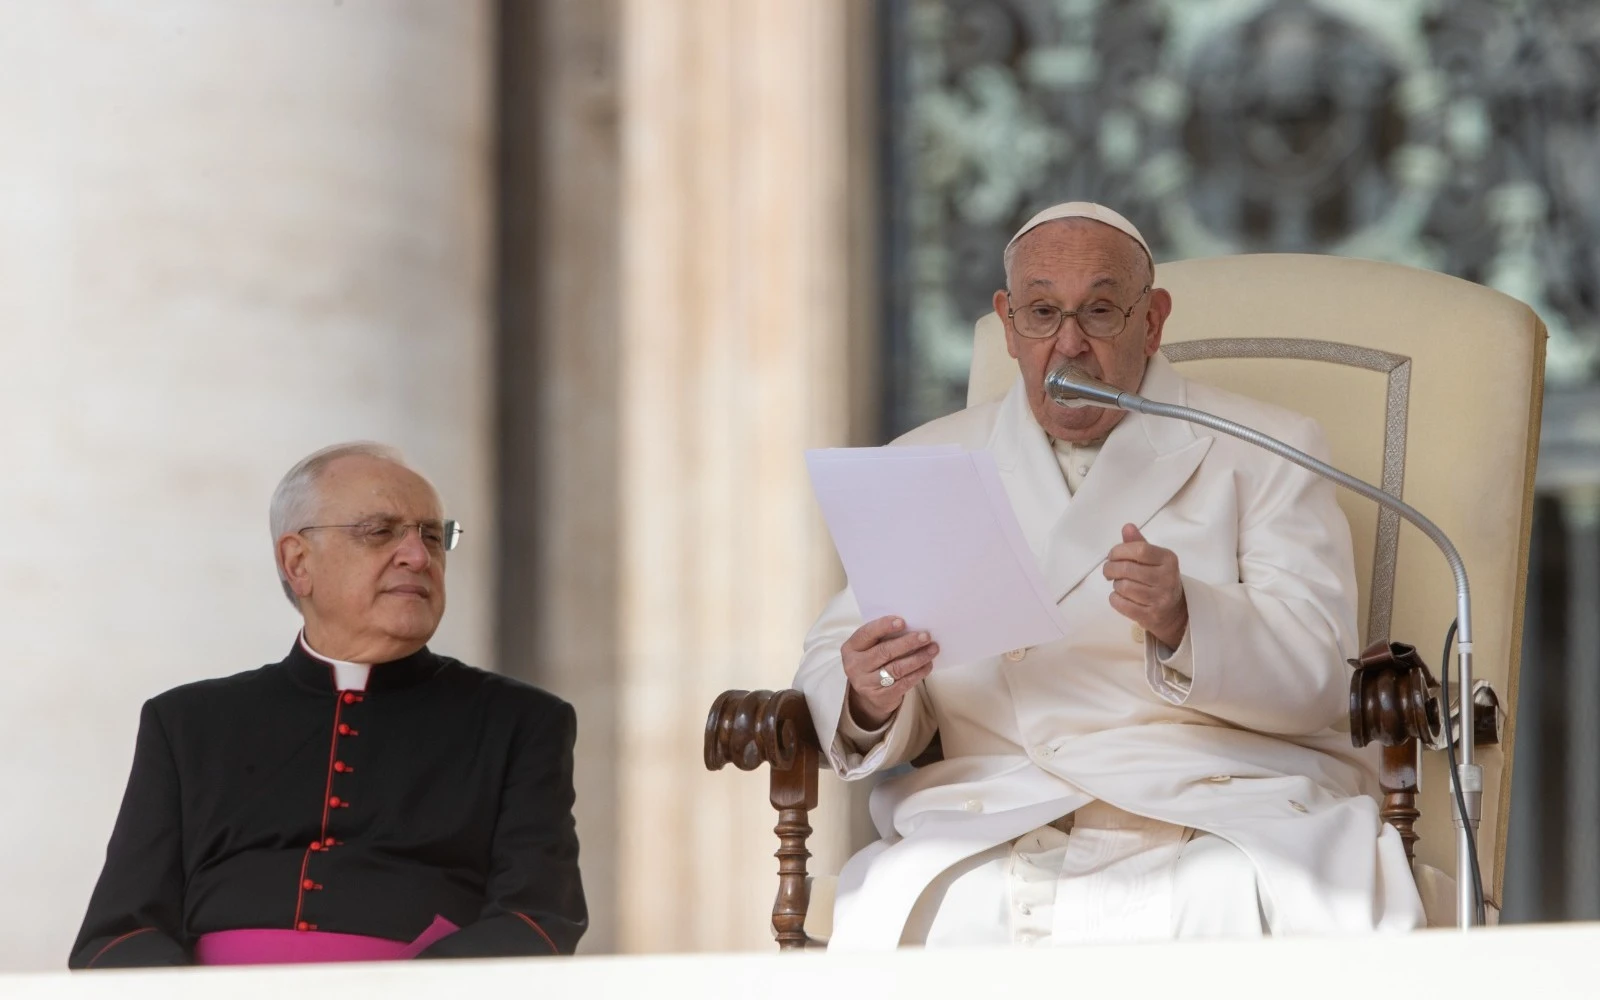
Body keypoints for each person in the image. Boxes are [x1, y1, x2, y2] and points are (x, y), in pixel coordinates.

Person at [793, 202, 1424, 949]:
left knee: (1226, 899)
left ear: (1151, 321)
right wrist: (868, 692)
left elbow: (1322, 672)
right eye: (1041, 312)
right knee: (949, 909)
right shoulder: (927, 464)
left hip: (1215, 803)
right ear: (1008, 325)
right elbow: (837, 655)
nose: (1070, 343)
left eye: (1099, 310)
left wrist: (1188, 621)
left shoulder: (1263, 450)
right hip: (999, 806)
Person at [70, 442, 585, 968]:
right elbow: (118, 933)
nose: (418, 555)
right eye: (380, 531)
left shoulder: (521, 723)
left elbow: (538, 918)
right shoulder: (187, 724)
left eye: (433, 535)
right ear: (297, 563)